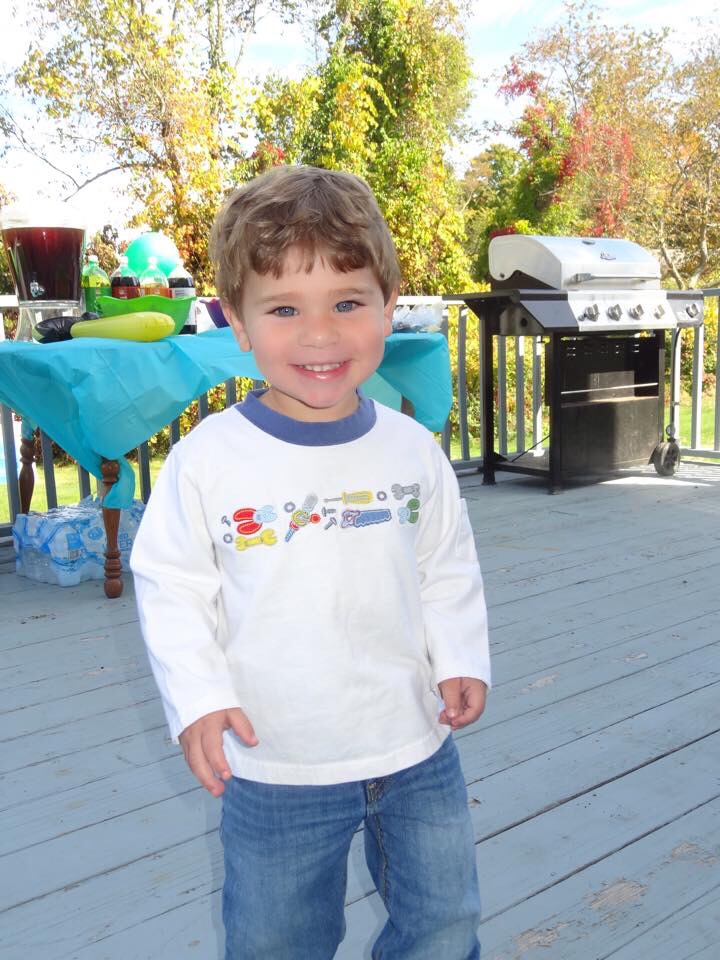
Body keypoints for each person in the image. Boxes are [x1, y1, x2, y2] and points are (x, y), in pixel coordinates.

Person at [130, 165, 491, 960]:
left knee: (444, 923)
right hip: (276, 761)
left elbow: (444, 563)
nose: (320, 334)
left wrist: (462, 654)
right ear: (238, 323)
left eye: (348, 303)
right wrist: (198, 700)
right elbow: (171, 586)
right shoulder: (209, 459)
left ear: (389, 306)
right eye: (285, 308)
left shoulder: (411, 448)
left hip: (415, 744)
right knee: (277, 942)